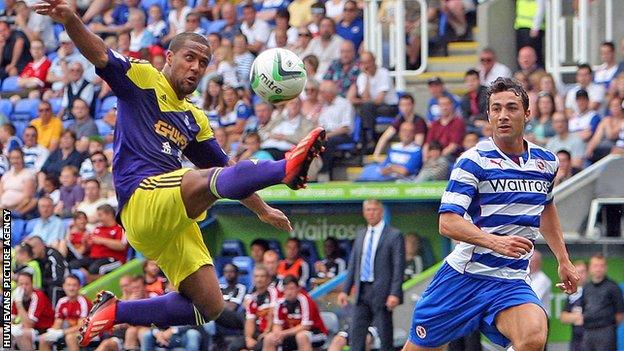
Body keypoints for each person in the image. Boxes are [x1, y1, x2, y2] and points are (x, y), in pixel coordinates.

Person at [33, 1, 325, 346]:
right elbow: (99, 53)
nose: (196, 67)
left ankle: (116, 312)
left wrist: (260, 209)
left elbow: (229, 171)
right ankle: (286, 169)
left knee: (209, 306)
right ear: (169, 58)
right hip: (142, 199)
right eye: (189, 57)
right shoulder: (142, 79)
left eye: (203, 62)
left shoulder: (194, 118)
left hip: (174, 218)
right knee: (202, 180)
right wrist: (70, 19)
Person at [401, 77, 579, 351]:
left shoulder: (546, 162)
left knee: (534, 336)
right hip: (463, 278)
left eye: (511, 108)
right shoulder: (473, 161)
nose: (503, 115)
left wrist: (564, 260)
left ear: (527, 114)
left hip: (510, 280)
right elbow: (447, 222)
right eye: (496, 109)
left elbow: (546, 207)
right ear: (488, 115)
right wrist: (496, 241)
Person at [338, 199, 405, 351]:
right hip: (362, 291)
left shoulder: (394, 235)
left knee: (385, 337)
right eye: (368, 209)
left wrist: (394, 293)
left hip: (382, 291)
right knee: (356, 336)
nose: (371, 212)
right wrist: (345, 290)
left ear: (381, 212)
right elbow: (353, 265)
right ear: (363, 212)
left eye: (374, 209)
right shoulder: (361, 234)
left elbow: (398, 266)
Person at [347, 51, 398, 149]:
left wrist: (363, 101)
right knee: (365, 108)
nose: (366, 65)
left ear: (374, 61)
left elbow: (379, 100)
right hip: (371, 108)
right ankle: (369, 138)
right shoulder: (362, 77)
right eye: (363, 63)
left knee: (365, 108)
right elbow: (366, 98)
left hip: (389, 107)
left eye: (368, 62)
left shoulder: (383, 73)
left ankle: (366, 139)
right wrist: (367, 77)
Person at [263, 275, 328, 351]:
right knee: (269, 338)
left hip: (316, 333)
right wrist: (277, 334)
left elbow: (305, 326)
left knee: (301, 336)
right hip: (291, 334)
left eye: (292, 289)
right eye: (286, 289)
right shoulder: (280, 303)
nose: (289, 292)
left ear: (298, 289)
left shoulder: (305, 300)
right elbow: (277, 324)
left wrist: (283, 333)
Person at [69, 204, 127, 283]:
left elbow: (122, 245)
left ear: (109, 215)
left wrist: (102, 240)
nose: (98, 218)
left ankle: (99, 287)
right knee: (73, 264)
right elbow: (89, 246)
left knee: (95, 269)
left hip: (113, 258)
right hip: (94, 258)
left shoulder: (119, 228)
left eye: (100, 215)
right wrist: (86, 243)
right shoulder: (98, 228)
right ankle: (88, 278)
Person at [579, 253, 624, 351]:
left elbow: (620, 314)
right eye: (595, 266)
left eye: (601, 266)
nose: (598, 269)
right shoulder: (586, 287)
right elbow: (583, 308)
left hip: (606, 332)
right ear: (590, 268)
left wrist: (608, 327)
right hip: (588, 332)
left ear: (606, 268)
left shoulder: (613, 287)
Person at [228, 265, 279, 351]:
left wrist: (266, 332)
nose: (259, 279)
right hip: (257, 331)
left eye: (262, 276)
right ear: (253, 279)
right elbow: (250, 320)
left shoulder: (273, 292)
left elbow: (272, 313)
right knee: (234, 346)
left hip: (270, 332)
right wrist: (248, 338)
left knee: (258, 347)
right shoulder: (251, 297)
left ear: (268, 279)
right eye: (256, 276)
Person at [39, 275, 91, 351]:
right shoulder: (61, 301)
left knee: (70, 337)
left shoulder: (83, 302)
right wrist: (52, 332)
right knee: (43, 338)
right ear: (63, 286)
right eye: (68, 285)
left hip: (88, 332)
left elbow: (81, 327)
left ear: (79, 287)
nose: (71, 288)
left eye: (74, 285)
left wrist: (62, 332)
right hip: (69, 331)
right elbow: (58, 323)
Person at [357, 122, 423, 181]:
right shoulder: (394, 147)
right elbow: (385, 166)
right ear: (399, 132)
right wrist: (391, 169)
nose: (407, 134)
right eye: (404, 131)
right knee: (363, 178)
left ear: (414, 134)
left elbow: (404, 171)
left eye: (410, 131)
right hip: (387, 178)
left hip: (403, 181)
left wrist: (391, 168)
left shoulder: (416, 151)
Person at [372, 93, 427, 162]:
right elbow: (385, 137)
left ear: (413, 105)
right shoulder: (400, 119)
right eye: (402, 105)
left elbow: (418, 144)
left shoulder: (419, 121)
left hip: (417, 153)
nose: (405, 108)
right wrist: (376, 155)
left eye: (408, 104)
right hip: (405, 150)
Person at [10, 272, 55, 351]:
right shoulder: (18, 295)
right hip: (29, 328)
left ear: (32, 284)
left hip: (44, 329)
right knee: (2, 332)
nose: (23, 287)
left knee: (21, 333)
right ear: (17, 285)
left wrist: (19, 303)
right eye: (21, 284)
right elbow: (10, 320)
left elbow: (29, 325)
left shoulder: (38, 296)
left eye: (26, 284)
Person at [25, 235, 69, 302]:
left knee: (53, 288)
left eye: (33, 248)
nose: (31, 251)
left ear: (41, 246)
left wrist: (41, 282)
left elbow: (59, 280)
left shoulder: (53, 256)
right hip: (46, 285)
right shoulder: (34, 260)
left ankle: (54, 312)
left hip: (63, 286)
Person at [560, 260, 588, 351]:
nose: (580, 275)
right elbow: (563, 317)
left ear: (588, 273)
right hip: (577, 340)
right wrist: (577, 317)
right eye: (578, 272)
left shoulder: (594, 291)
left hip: (592, 337)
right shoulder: (573, 294)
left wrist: (586, 317)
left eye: (583, 272)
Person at [514, 0, 545, 67]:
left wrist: (535, 27)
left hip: (532, 29)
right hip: (521, 26)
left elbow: (541, 7)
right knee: (522, 56)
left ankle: (537, 74)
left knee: (532, 56)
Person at [528, 250, 552, 318]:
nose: (530, 264)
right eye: (528, 261)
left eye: (532, 261)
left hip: (539, 317)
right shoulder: (526, 277)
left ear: (539, 262)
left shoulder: (542, 279)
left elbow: (532, 299)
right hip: (529, 316)